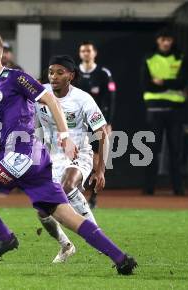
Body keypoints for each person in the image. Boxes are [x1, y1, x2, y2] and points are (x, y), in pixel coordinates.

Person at [0, 31, 137, 275]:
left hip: (21, 155)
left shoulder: (15, 78)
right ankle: (122, 258)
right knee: (63, 214)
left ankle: (6, 237)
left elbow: (49, 99)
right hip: (34, 160)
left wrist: (64, 136)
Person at [35, 55, 108, 263]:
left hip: (79, 154)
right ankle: (65, 246)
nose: (54, 77)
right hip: (52, 157)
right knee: (41, 209)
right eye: (51, 72)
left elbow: (102, 133)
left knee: (67, 184)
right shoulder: (41, 95)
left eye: (60, 72)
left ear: (71, 76)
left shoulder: (83, 99)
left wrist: (100, 169)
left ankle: (97, 237)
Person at [141, 28, 187, 196]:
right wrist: (172, 83)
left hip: (175, 111)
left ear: (172, 41)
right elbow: (146, 84)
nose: (166, 43)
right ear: (158, 41)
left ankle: (178, 189)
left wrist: (162, 82)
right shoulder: (149, 58)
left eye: (169, 40)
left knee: (176, 150)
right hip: (154, 110)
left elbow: (183, 82)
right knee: (152, 150)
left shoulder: (180, 58)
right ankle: (148, 189)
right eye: (163, 40)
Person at [78, 41, 116, 209]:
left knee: (96, 159)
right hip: (77, 122)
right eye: (83, 51)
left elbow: (111, 99)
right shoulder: (73, 72)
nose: (86, 53)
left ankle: (93, 195)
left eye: (88, 51)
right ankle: (74, 192)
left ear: (94, 53)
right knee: (74, 156)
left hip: (96, 121)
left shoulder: (103, 73)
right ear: (80, 54)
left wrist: (108, 122)